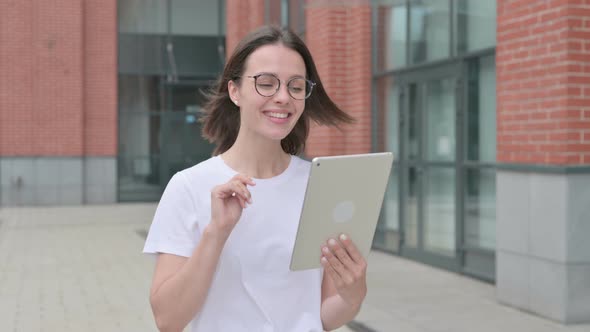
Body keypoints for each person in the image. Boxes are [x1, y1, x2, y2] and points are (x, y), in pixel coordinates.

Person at [143, 25, 368, 332]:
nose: (283, 97)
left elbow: (321, 316)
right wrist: (216, 233)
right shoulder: (188, 186)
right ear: (234, 91)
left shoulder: (320, 185)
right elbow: (168, 320)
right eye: (266, 83)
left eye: (296, 87)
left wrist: (353, 296)